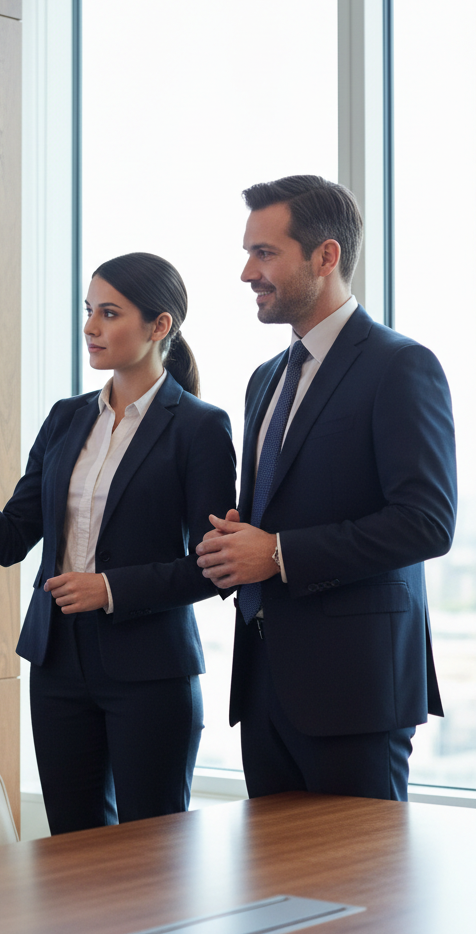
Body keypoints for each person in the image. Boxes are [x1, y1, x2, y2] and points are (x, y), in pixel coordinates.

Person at [0, 253, 236, 834]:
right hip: (58, 665)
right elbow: (10, 538)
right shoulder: (66, 419)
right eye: (88, 310)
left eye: (109, 313)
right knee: (73, 850)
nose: (90, 327)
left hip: (150, 671)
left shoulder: (200, 427)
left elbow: (214, 567)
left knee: (152, 853)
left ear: (160, 326)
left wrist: (109, 589)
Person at [195, 174, 456, 800]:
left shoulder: (400, 365)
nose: (247, 273)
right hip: (263, 686)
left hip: (356, 691)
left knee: (362, 867)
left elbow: (426, 522)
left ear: (326, 256)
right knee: (272, 866)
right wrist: (238, 542)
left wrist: (277, 553)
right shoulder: (265, 379)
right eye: (248, 253)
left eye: (264, 253)